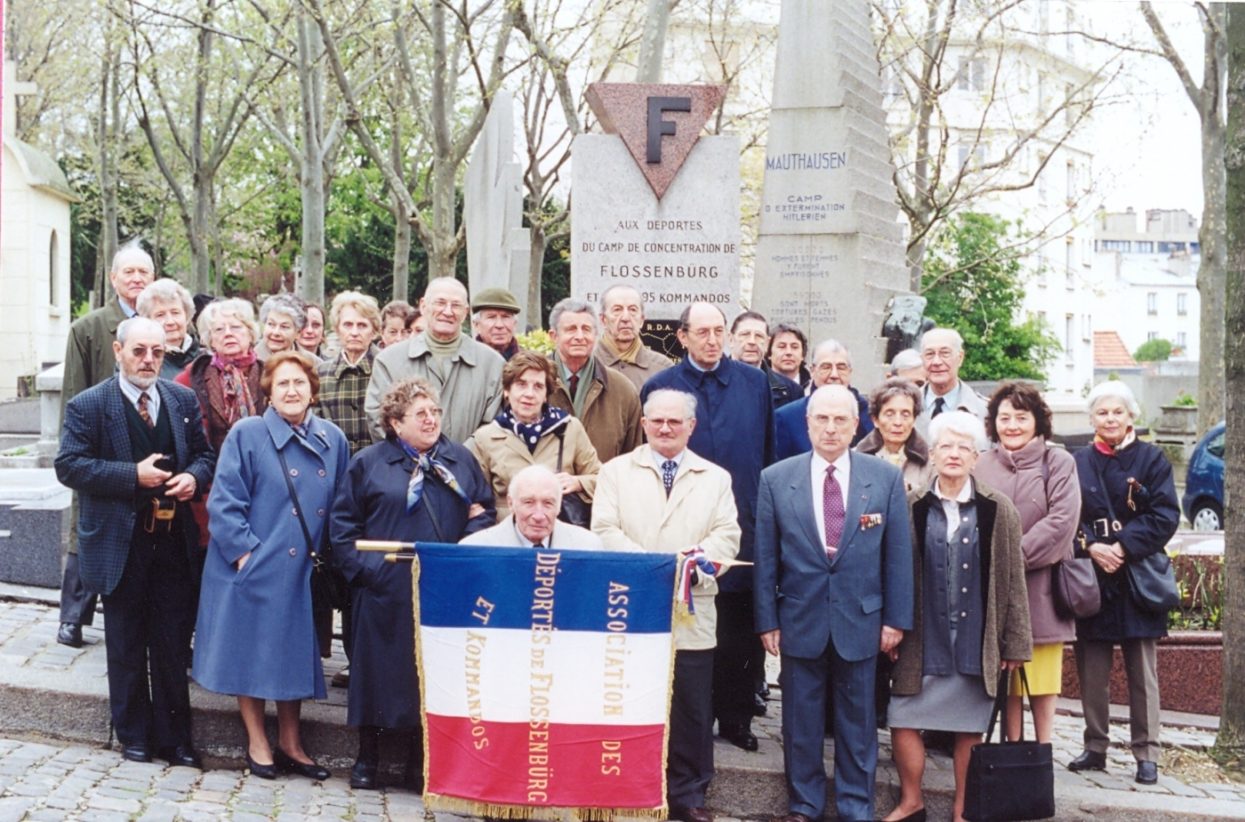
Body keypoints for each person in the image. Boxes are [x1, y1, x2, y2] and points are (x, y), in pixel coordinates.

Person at [54, 317, 216, 767]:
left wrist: (192, 477)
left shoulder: (181, 399)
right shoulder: (90, 405)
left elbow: (205, 455)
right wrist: (132, 475)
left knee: (170, 643)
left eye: (157, 353)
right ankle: (134, 736)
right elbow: (69, 466)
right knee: (125, 643)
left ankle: (175, 738)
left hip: (172, 542)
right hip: (119, 543)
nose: (148, 361)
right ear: (118, 350)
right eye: (139, 351)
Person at [754, 385, 913, 822]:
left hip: (862, 620)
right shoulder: (776, 478)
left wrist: (895, 620)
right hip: (799, 618)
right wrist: (767, 619)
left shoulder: (883, 478)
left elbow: (897, 556)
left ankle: (855, 807)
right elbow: (766, 557)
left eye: (840, 420)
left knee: (858, 725)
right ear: (807, 423)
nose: (830, 428)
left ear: (857, 424)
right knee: (800, 723)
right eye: (821, 419)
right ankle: (803, 804)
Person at [331, 377, 495, 790]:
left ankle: (418, 764)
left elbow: (484, 510)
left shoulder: (459, 459)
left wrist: (463, 553)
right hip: (384, 588)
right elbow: (343, 526)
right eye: (420, 414)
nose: (431, 420)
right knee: (377, 675)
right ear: (394, 422)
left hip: (443, 588)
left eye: (435, 412)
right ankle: (367, 759)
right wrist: (368, 574)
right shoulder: (369, 463)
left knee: (431, 675)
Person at [192, 351, 348, 781]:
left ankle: (291, 743)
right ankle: (258, 740)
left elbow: (340, 505)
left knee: (293, 656)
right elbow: (224, 503)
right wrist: (247, 556)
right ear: (269, 394)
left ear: (313, 390)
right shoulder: (248, 433)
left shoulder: (332, 439)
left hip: (301, 571)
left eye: (300, 383)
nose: (292, 391)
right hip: (252, 567)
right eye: (283, 384)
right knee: (252, 654)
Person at [593, 388, 740, 822]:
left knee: (691, 705)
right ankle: (630, 787)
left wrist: (690, 566)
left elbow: (726, 537)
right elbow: (603, 528)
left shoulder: (716, 478)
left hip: (690, 609)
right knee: (631, 698)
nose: (665, 428)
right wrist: (655, 568)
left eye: (675, 421)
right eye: (656, 420)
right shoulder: (615, 472)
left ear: (691, 426)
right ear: (643, 424)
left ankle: (689, 794)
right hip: (630, 605)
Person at [883, 410, 1031, 822]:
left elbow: (1013, 580)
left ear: (976, 456)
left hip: (975, 635)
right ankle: (911, 800)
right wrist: (891, 626)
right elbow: (893, 570)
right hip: (921, 634)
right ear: (931, 453)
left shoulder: (998, 509)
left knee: (969, 725)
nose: (953, 454)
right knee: (903, 717)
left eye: (963, 447)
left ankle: (964, 809)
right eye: (945, 446)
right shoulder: (910, 505)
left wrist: (1014, 643)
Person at [641, 301, 774, 752]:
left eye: (719, 331)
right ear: (683, 337)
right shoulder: (661, 386)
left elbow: (768, 451)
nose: (713, 340)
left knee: (737, 623)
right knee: (687, 621)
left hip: (739, 521)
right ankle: (677, 719)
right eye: (703, 332)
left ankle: (736, 717)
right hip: (678, 520)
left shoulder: (755, 383)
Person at [1066, 380, 1179, 786]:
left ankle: (1147, 753)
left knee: (1141, 671)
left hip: (1137, 577)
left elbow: (1165, 515)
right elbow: (1066, 513)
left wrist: (1122, 547)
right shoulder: (1077, 460)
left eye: (1117, 412)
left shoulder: (1152, 459)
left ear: (1131, 415)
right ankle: (1095, 746)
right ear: (1091, 418)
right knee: (1091, 667)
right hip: (1093, 576)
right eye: (1102, 412)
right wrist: (1092, 547)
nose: (1110, 419)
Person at [56, 242, 157, 649]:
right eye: (128, 272)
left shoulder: (159, 322)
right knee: (88, 526)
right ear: (113, 278)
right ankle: (73, 617)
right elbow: (72, 392)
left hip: (148, 439)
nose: (136, 279)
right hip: (99, 443)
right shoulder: (89, 328)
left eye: (143, 273)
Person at [974, 382, 1080, 744]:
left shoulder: (1059, 462)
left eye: (1021, 417)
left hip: (1042, 588)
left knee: (1042, 679)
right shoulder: (981, 464)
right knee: (1006, 677)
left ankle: (1043, 750)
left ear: (1038, 422)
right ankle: (1011, 749)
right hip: (992, 590)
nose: (1012, 425)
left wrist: (1011, 556)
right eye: (1005, 418)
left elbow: (1062, 520)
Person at [365, 277, 505, 443]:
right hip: (405, 466)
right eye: (440, 302)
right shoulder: (389, 361)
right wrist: (416, 458)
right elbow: (379, 419)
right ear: (423, 306)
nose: (447, 311)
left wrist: (460, 460)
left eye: (456, 305)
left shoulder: (492, 364)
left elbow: (494, 426)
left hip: (470, 466)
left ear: (466, 312)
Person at [467, 351, 601, 523]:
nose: (529, 394)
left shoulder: (569, 428)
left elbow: (601, 479)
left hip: (558, 532)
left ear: (546, 395)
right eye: (521, 384)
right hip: (508, 536)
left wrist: (578, 482)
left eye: (538, 386)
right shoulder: (486, 437)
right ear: (507, 390)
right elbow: (478, 499)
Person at [546, 298, 643, 464]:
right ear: (553, 336)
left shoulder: (622, 390)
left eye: (586, 329)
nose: (579, 337)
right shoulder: (533, 383)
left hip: (604, 488)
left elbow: (633, 457)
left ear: (596, 335)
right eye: (570, 329)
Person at [177, 299, 267, 451]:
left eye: (236, 327)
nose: (228, 334)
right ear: (210, 340)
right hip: (212, 468)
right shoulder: (191, 377)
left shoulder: (269, 374)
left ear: (250, 333)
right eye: (219, 329)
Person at [775, 339, 873, 458]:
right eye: (826, 367)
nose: (834, 375)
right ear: (812, 371)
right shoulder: (787, 417)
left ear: (850, 371)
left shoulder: (870, 414)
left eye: (841, 368)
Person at [463, 464, 600, 548]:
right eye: (529, 502)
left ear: (559, 506)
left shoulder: (588, 547)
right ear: (511, 503)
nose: (538, 516)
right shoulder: (476, 548)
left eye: (548, 503)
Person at [317, 291, 383, 456]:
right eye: (347, 325)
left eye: (362, 325)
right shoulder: (321, 373)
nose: (354, 332)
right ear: (337, 329)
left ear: (374, 331)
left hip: (379, 468)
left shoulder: (387, 369)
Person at [854, 378, 932, 494]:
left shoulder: (930, 461)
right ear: (875, 420)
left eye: (905, 414)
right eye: (889, 414)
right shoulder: (855, 458)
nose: (898, 422)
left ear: (914, 419)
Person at [593, 284, 673, 392]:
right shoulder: (585, 364)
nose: (625, 318)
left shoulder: (663, 368)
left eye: (633, 310)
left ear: (642, 320)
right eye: (617, 310)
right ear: (603, 320)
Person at [915, 328, 987, 433]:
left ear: (960, 358)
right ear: (922, 359)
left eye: (945, 353)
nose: (936, 362)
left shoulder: (984, 411)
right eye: (930, 354)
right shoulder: (905, 407)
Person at [729, 311, 801, 408]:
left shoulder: (791, 391)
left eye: (759, 336)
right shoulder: (709, 382)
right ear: (731, 340)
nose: (752, 342)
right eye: (745, 334)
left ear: (767, 343)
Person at [137, 279, 200, 379]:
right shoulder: (139, 363)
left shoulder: (206, 359)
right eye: (160, 315)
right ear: (148, 320)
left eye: (175, 313)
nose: (170, 321)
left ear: (187, 316)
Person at [471, 287, 523, 360]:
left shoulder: (530, 363)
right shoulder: (465, 360)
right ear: (476, 325)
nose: (499, 325)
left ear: (514, 324)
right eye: (491, 317)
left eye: (505, 317)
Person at [256, 293, 311, 361]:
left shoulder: (313, 363)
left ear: (298, 333)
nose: (276, 332)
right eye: (271, 324)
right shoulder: (251, 363)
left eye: (284, 327)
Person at [766, 323, 810, 390]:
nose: (788, 352)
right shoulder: (760, 386)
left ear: (803, 355)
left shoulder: (812, 389)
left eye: (794, 347)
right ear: (769, 353)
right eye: (782, 346)